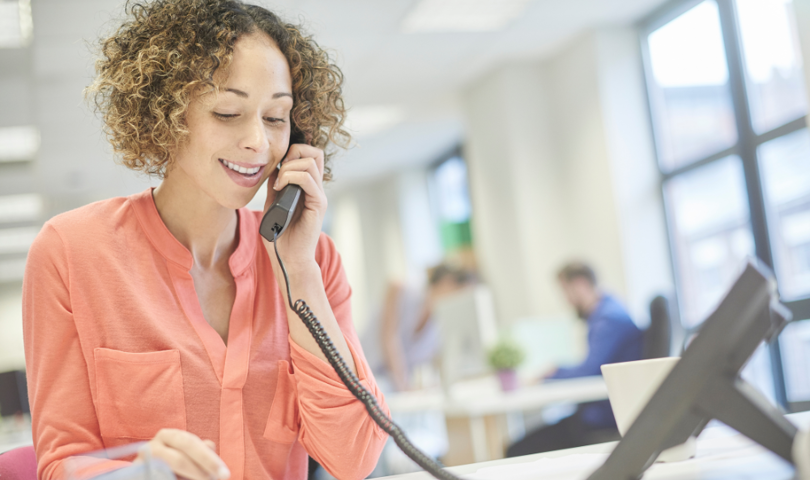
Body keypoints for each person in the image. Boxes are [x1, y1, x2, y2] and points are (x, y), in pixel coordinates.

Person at [22, 2, 388, 480]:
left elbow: (354, 458)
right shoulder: (70, 253)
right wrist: (141, 475)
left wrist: (297, 272)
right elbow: (60, 462)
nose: (259, 140)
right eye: (228, 111)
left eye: (277, 118)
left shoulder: (314, 261)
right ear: (167, 114)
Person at [506, 262, 643, 457]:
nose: (566, 301)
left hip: (603, 418)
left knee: (517, 450)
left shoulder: (609, 319)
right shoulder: (608, 311)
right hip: (602, 412)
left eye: (565, 291)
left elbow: (589, 371)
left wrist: (551, 374)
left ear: (579, 284)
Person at [363, 264, 476, 392]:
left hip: (389, 388)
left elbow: (438, 361)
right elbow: (389, 339)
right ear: (447, 282)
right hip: (363, 373)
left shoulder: (437, 326)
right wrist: (404, 386)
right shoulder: (400, 290)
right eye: (459, 293)